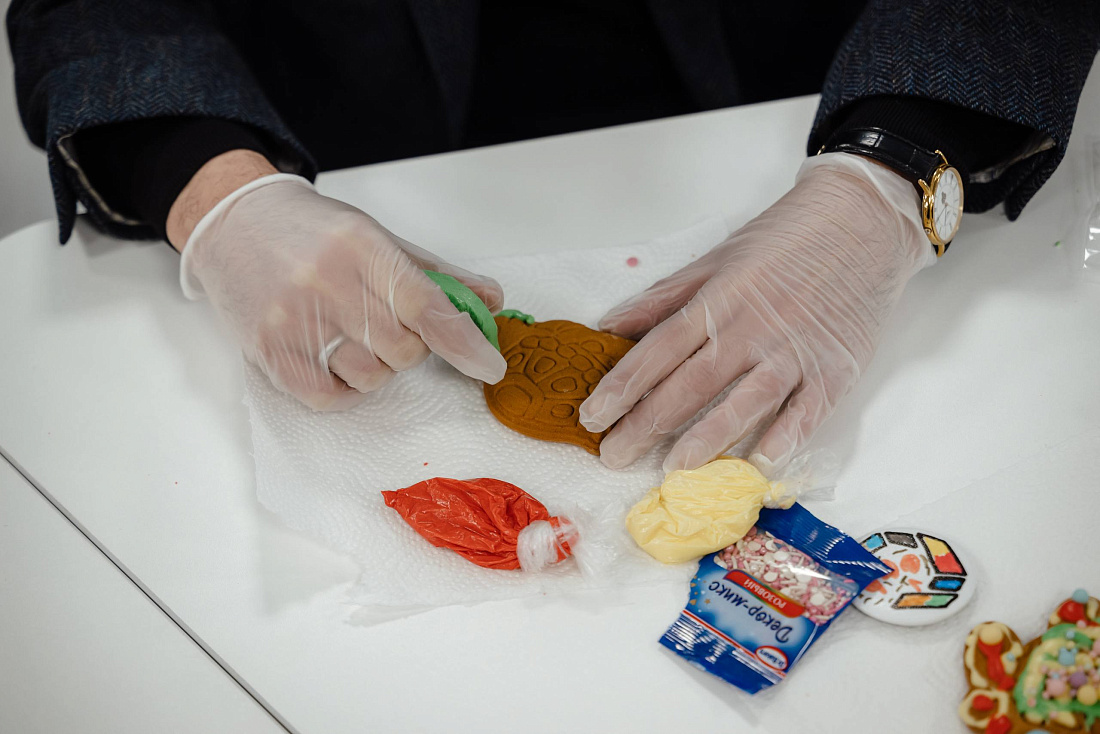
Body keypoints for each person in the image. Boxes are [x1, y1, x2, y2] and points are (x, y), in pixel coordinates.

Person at [8, 1, 1100, 474]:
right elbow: (93, 12)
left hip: (795, 101)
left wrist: (892, 169)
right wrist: (217, 193)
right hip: (354, 149)